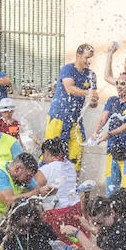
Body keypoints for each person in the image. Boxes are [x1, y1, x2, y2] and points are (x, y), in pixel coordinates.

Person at [45, 44, 98, 172]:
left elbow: (93, 103)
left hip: (76, 120)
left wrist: (93, 101)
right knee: (51, 154)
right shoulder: (67, 69)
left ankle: (72, 188)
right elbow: (69, 88)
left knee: (76, 157)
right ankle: (46, 188)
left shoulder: (91, 75)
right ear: (78, 55)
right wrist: (88, 93)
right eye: (86, 57)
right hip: (58, 117)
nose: (89, 61)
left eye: (91, 58)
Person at [95, 71, 126, 194]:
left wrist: (110, 134)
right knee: (110, 191)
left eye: (122, 83)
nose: (119, 86)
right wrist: (95, 132)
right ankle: (111, 213)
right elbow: (103, 119)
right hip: (112, 152)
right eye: (117, 82)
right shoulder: (112, 101)